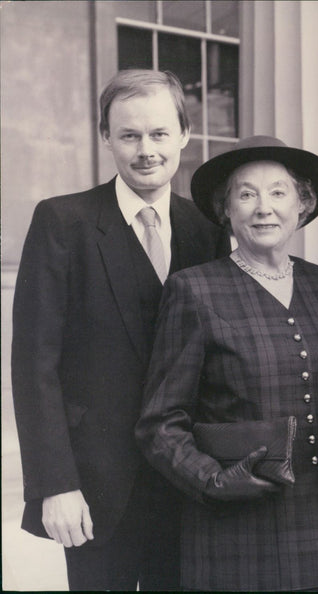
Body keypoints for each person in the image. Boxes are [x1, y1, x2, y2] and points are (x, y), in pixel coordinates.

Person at [10, 69, 225, 590]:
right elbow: (33, 365)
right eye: (129, 135)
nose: (145, 150)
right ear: (106, 136)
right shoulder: (63, 222)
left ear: (183, 135)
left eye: (158, 134)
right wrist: (54, 485)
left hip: (188, 487)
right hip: (95, 489)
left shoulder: (207, 228)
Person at [135, 135, 318, 591]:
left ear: (303, 206)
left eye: (278, 192)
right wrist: (213, 480)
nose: (263, 208)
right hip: (235, 533)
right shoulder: (194, 290)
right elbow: (159, 423)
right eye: (246, 194)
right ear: (227, 211)